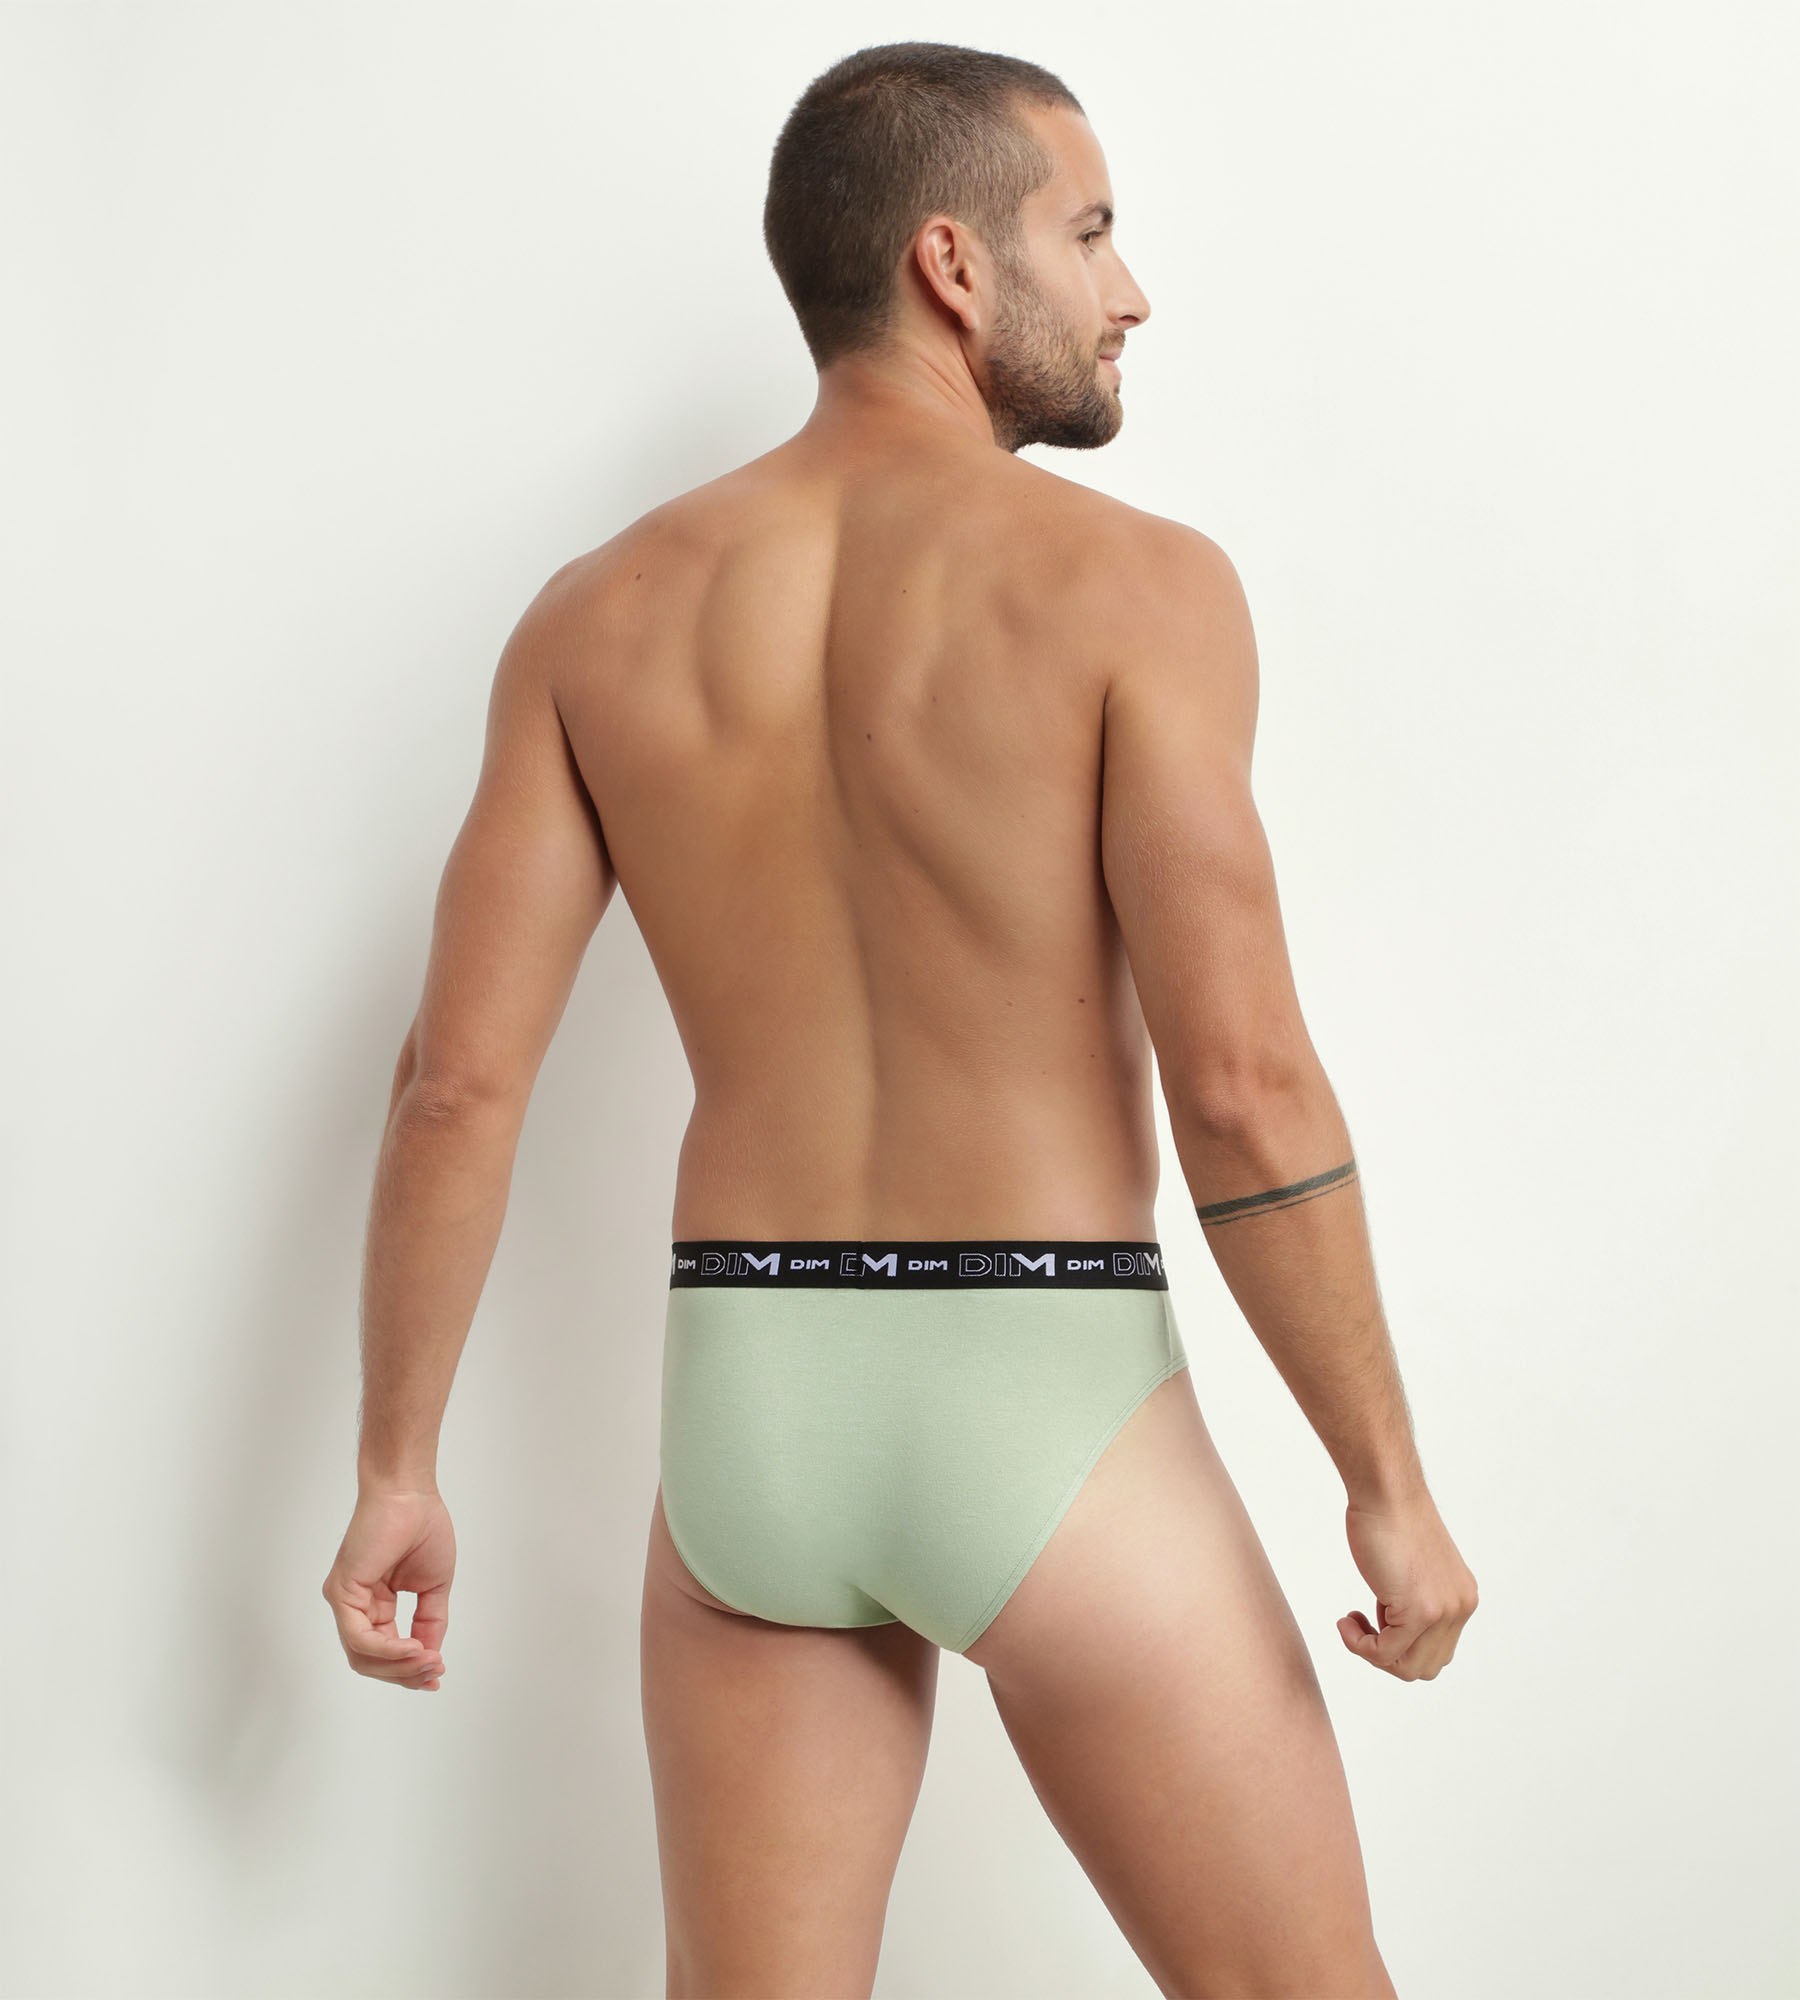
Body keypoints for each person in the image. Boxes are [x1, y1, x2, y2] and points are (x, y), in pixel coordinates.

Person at [322, 39, 1477, 1999]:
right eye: (1090, 233)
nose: (1129, 290)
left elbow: (455, 1085)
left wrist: (395, 1467)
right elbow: (1243, 1082)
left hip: (751, 1410)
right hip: (1047, 1386)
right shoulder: (1137, 588)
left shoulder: (601, 614)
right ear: (953, 263)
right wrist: (1386, 1483)